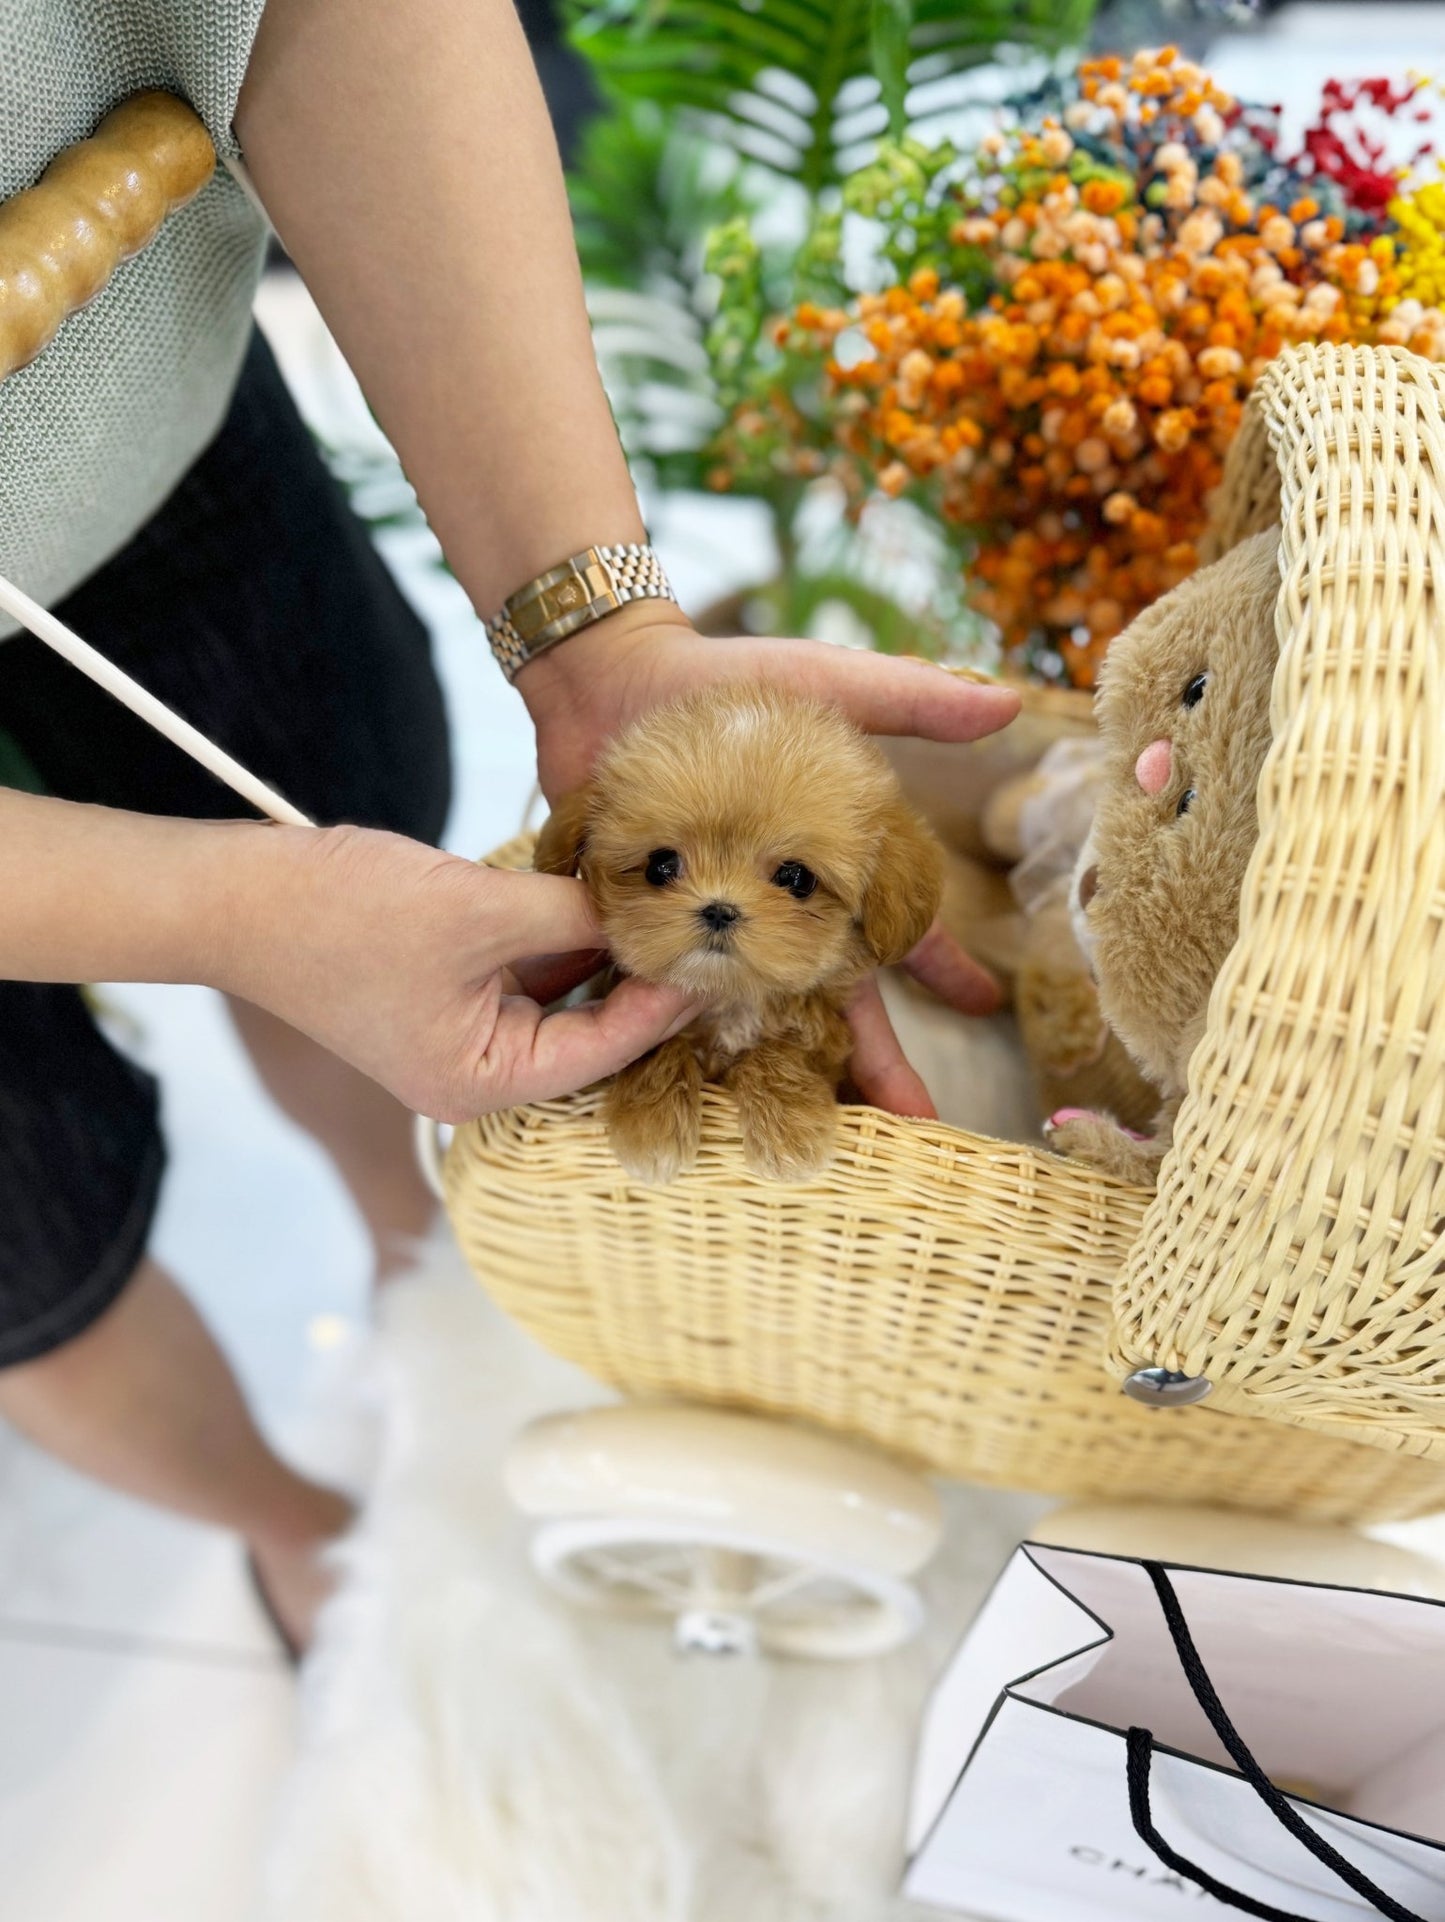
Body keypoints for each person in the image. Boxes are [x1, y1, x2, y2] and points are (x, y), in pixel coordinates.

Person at [0, 0, 1019, 1656]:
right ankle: (292, 1521)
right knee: (28, 1241)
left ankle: (420, 1257)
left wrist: (597, 635)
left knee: (350, 777)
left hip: (125, 369)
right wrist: (240, 912)